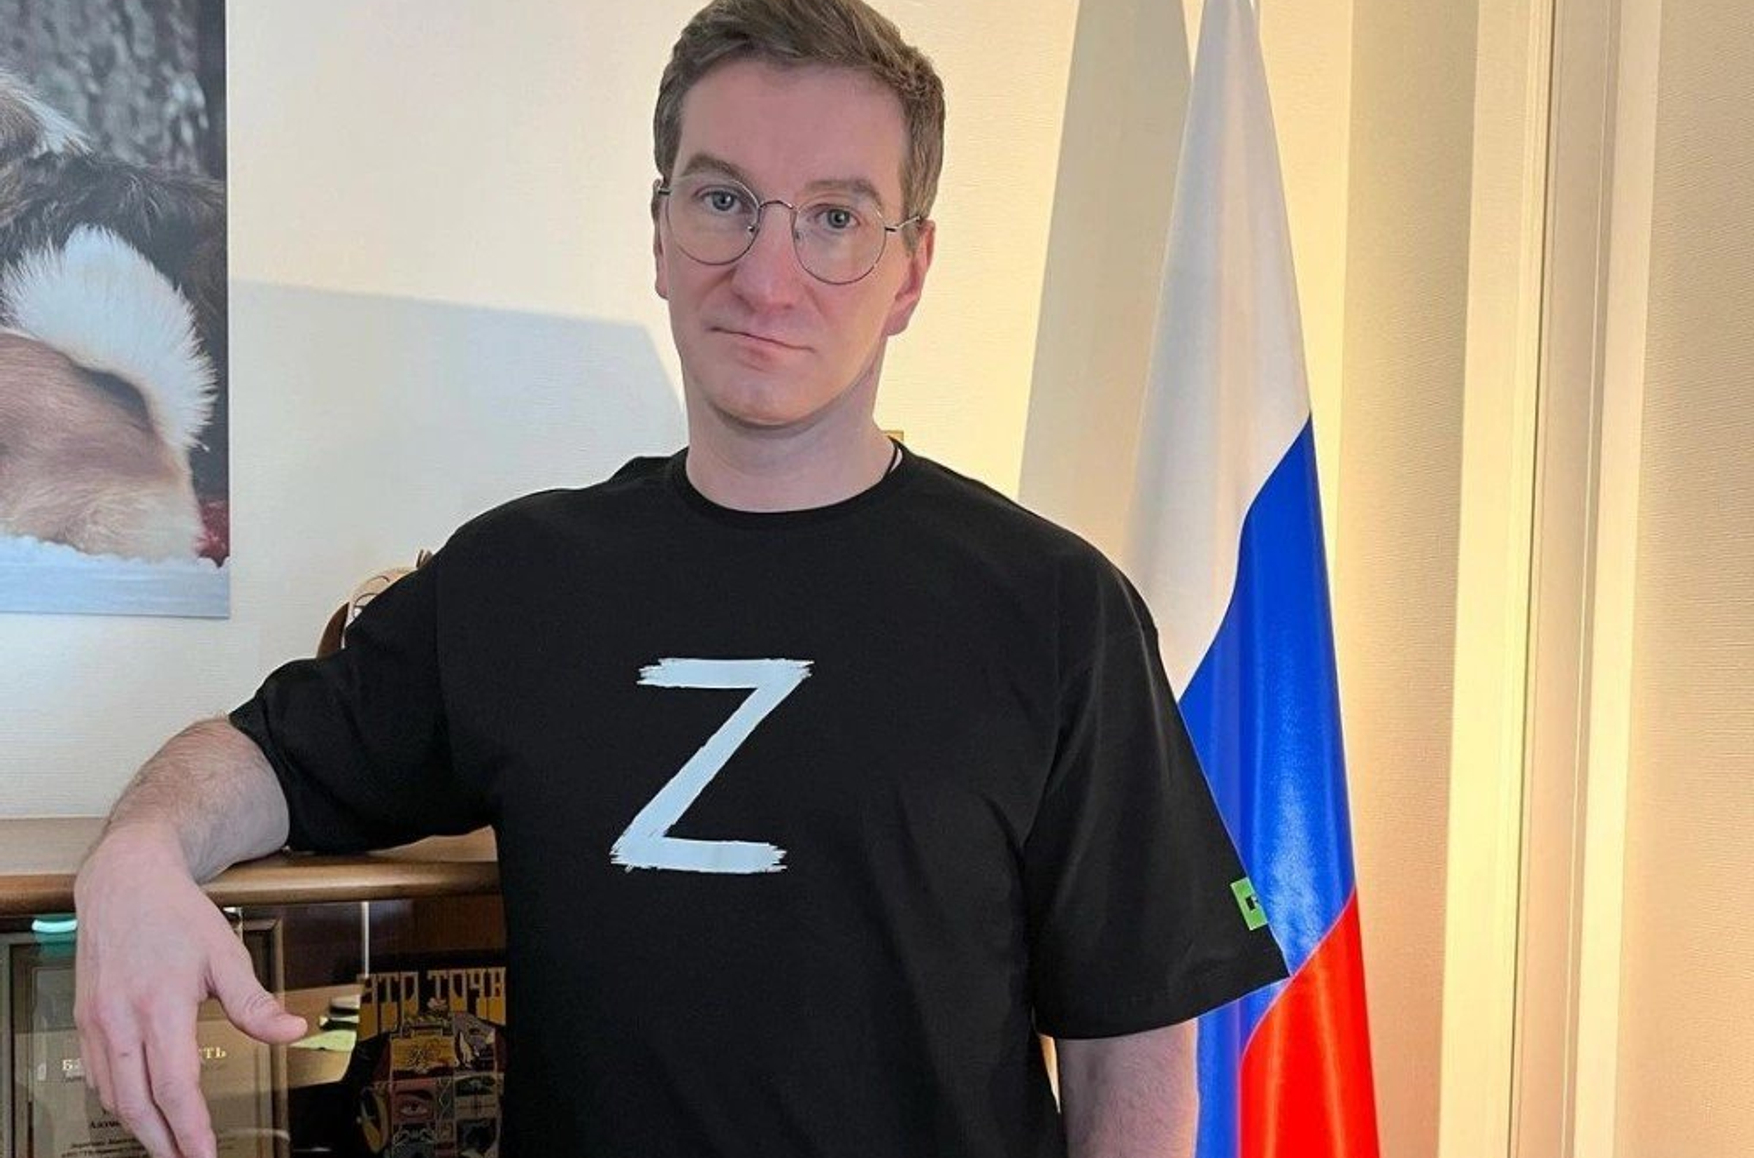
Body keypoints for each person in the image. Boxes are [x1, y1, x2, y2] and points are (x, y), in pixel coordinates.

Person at [72, 1, 1289, 1155]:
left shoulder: (1055, 610)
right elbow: (264, 759)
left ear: (910, 271)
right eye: (722, 201)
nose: (766, 275)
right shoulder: (514, 581)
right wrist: (137, 852)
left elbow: (1133, 1055)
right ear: (659, 233)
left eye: (834, 217)